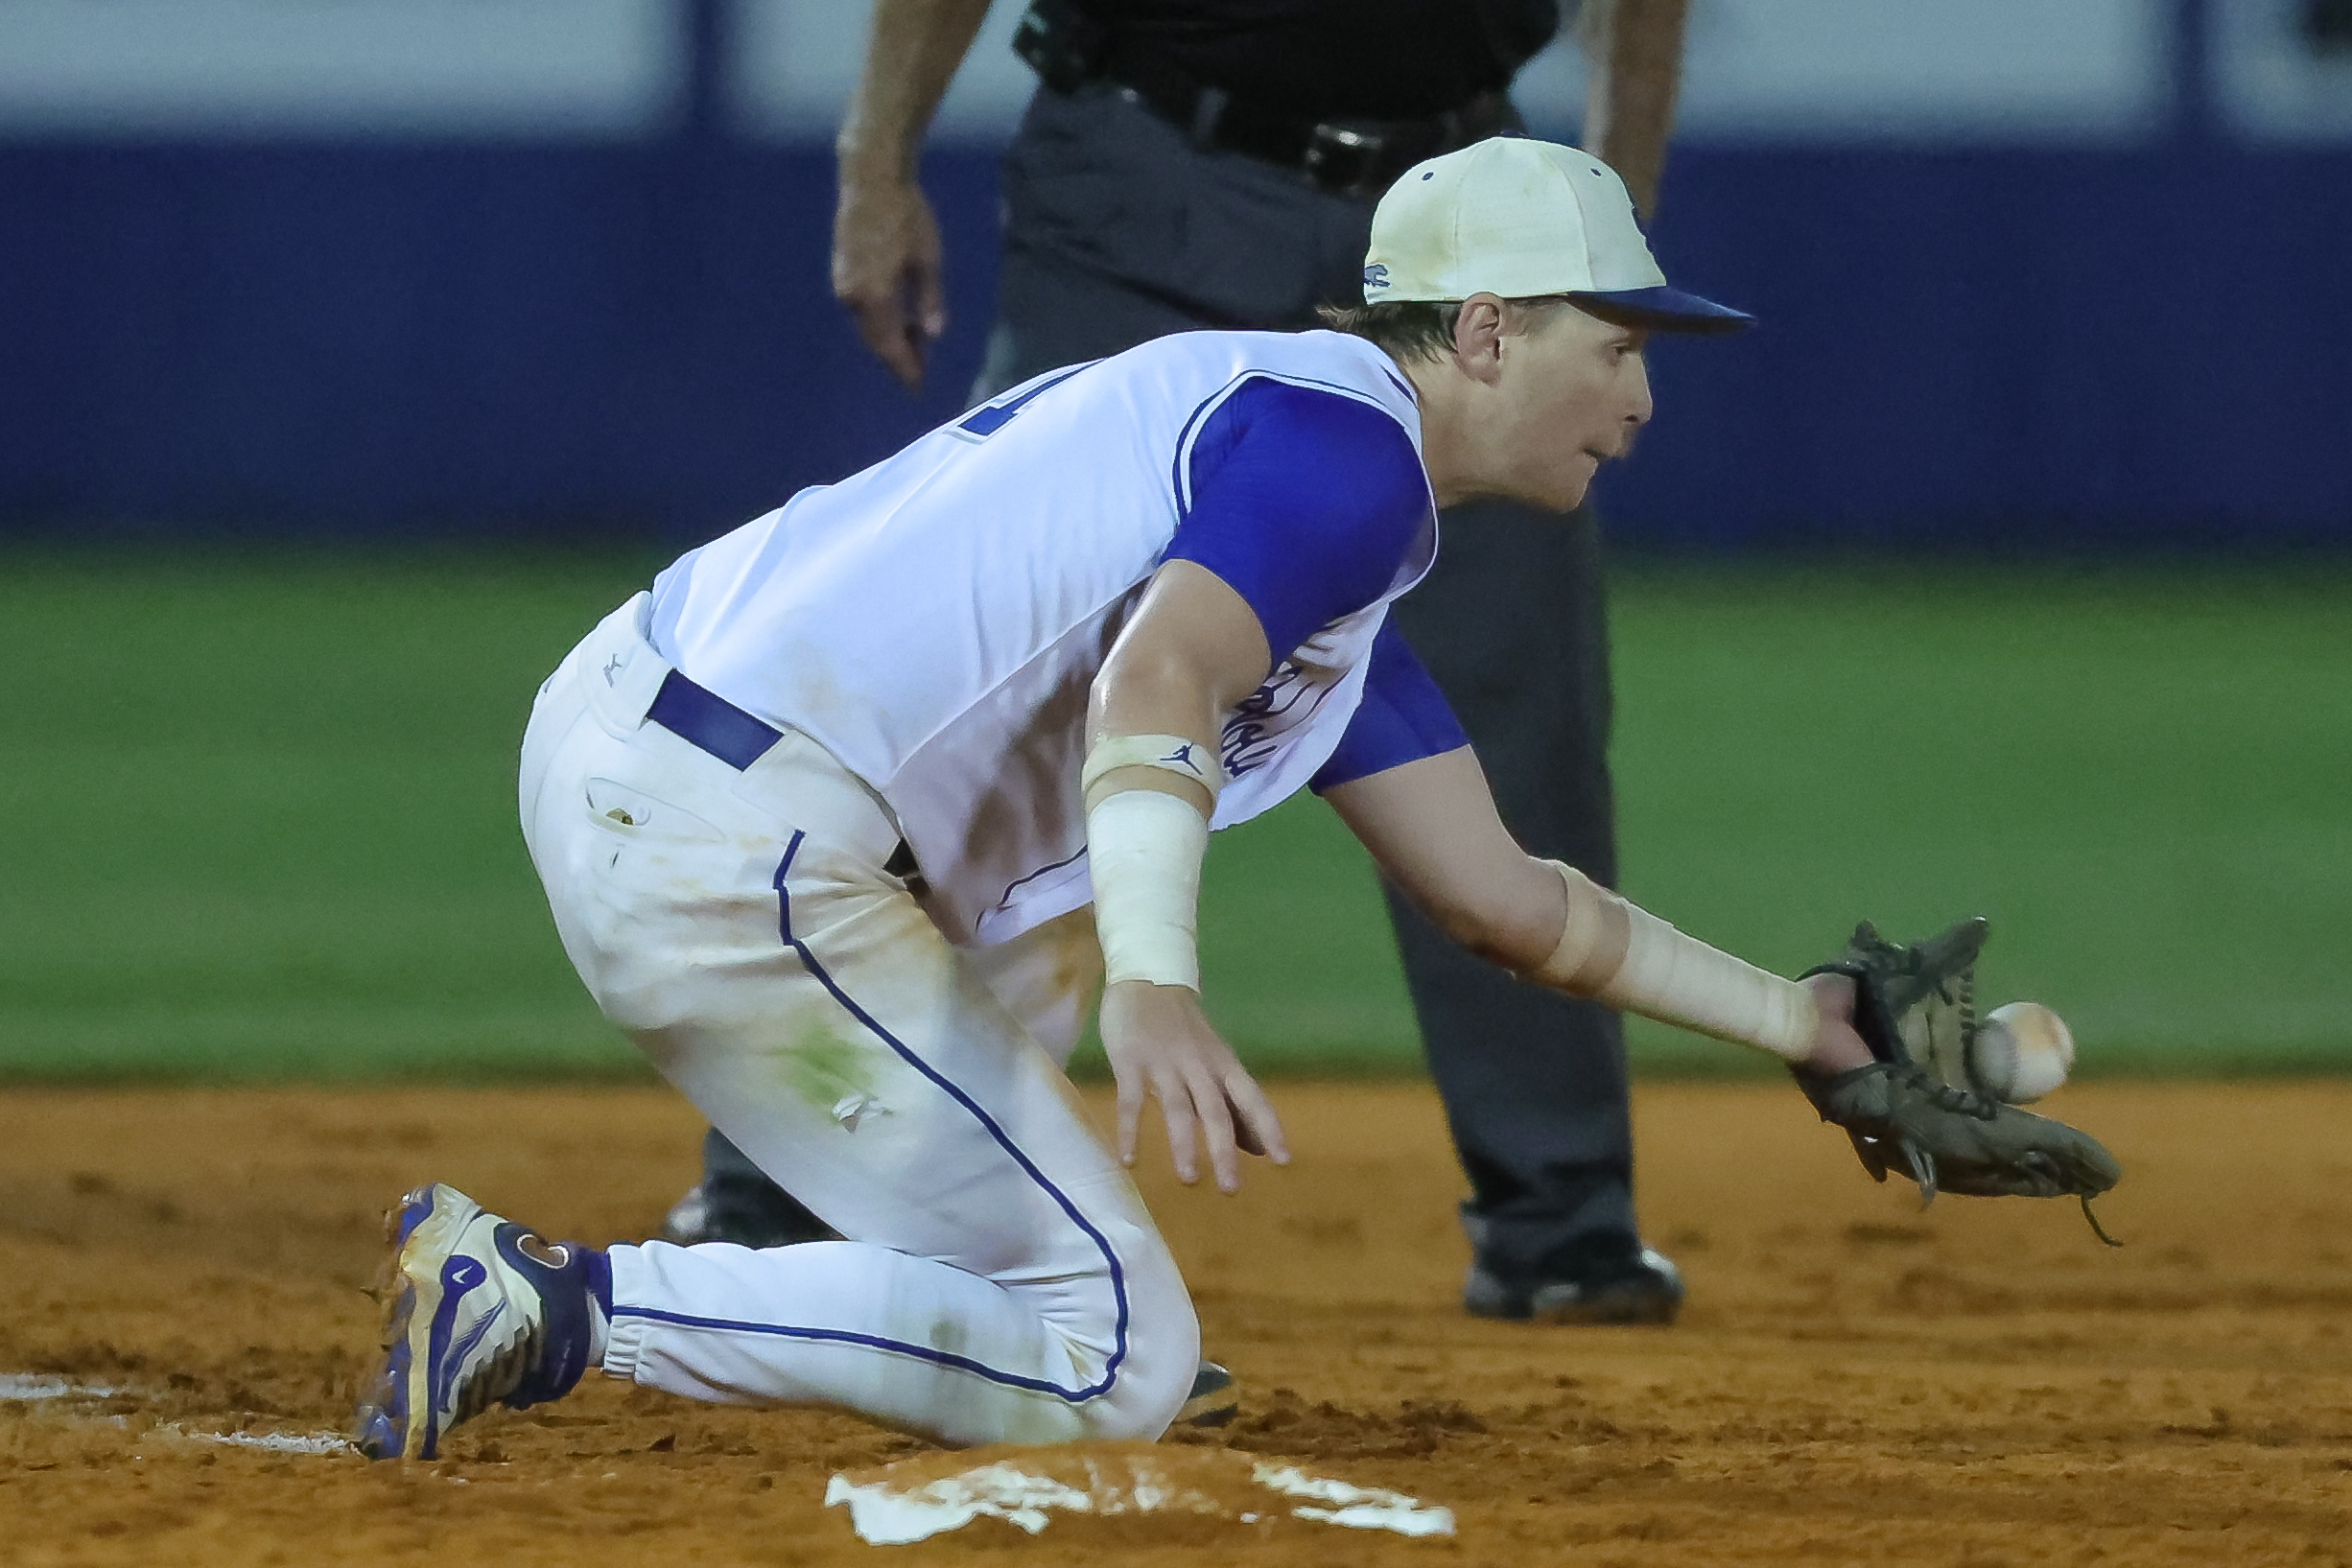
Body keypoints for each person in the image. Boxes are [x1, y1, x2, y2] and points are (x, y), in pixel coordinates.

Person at [352, 138, 1877, 1463]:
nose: (1643, 394)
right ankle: (555, 1305)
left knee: (1031, 969)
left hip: (644, 750)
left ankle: (969, 1297)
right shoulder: (1342, 459)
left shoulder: (1295, 489)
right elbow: (1153, 691)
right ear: (1484, 332)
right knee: (1116, 1360)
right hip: (731, 848)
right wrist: (1164, 984)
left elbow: (1500, 899)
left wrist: (1799, 1025)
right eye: (1614, 346)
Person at [667, 0, 1702, 1330]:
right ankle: (776, 1189)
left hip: (1459, 209)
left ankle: (1560, 1221)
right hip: (1147, 181)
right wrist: (877, 165)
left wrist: (1596, 246)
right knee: (999, 690)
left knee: (1519, 710)